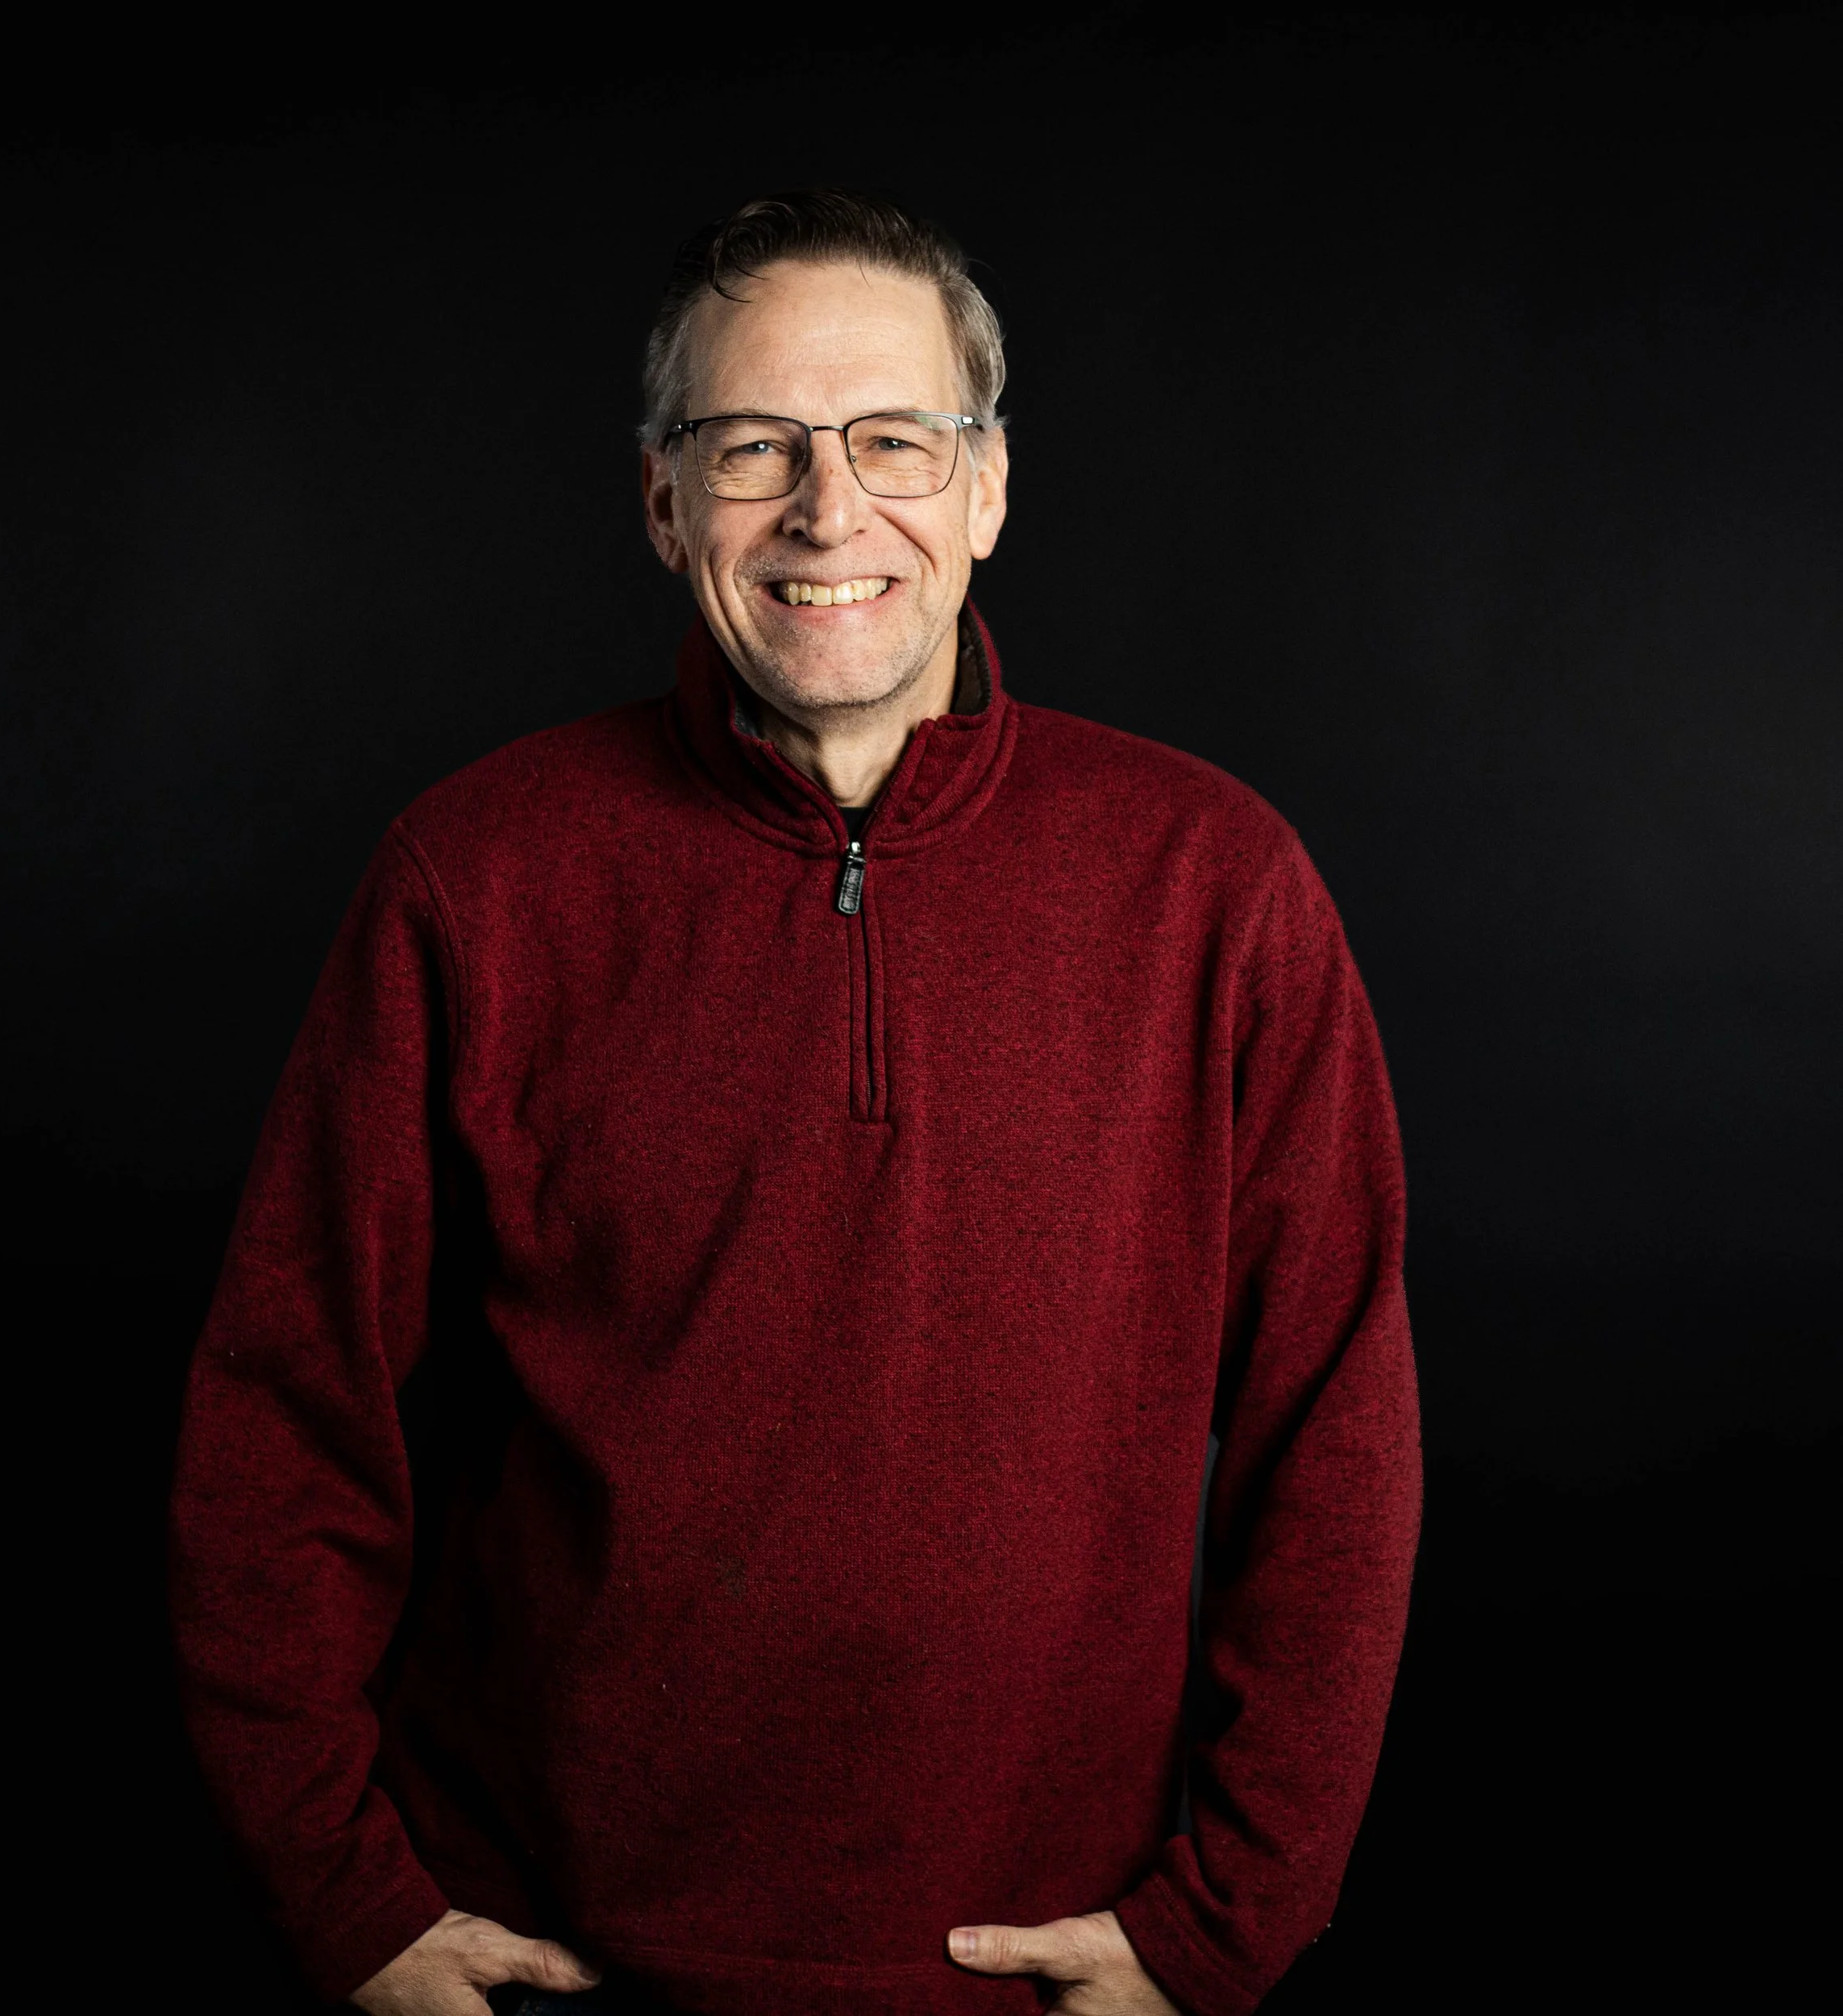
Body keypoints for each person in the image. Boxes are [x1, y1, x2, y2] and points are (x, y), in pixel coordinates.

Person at [169, 189, 1422, 2016]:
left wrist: (1226, 1912)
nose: (830, 512)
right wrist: (342, 1892)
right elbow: (283, 1414)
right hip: (546, 1961)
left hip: (1042, 1970)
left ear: (987, 490)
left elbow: (1337, 1432)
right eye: (753, 445)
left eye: (895, 440)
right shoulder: (479, 875)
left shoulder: (1213, 883)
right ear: (664, 497)